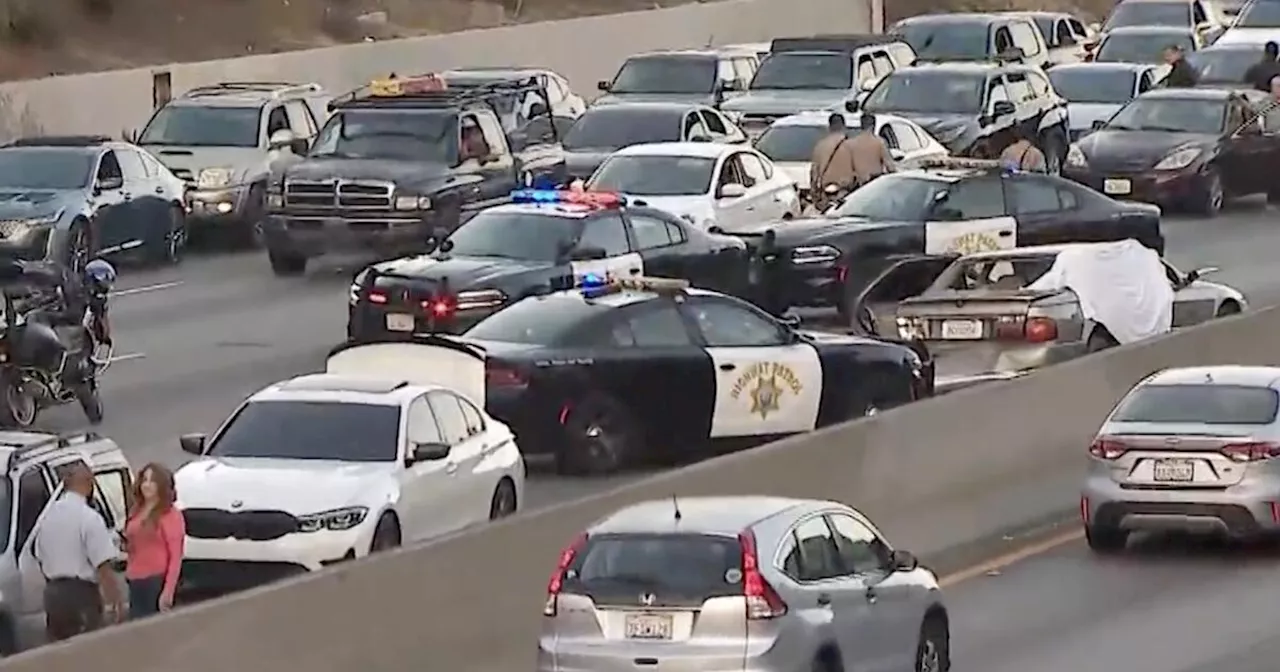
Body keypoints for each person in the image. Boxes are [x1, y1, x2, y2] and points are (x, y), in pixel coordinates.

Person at [32, 462, 125, 641]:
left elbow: (39, 555)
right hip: (81, 593)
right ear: (89, 484)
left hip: (53, 594)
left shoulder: (47, 517)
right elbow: (103, 565)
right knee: (88, 647)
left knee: (59, 651)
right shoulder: (89, 518)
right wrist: (116, 601)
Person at [123, 463, 185, 618]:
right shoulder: (136, 511)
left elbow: (176, 556)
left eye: (152, 481)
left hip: (155, 581)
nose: (147, 485)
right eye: (144, 480)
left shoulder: (170, 515)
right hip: (135, 581)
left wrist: (168, 591)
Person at [809, 113, 859, 200]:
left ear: (829, 127)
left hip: (825, 192)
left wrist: (814, 190)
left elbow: (814, 171)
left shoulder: (820, 146)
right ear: (844, 126)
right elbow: (859, 171)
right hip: (845, 192)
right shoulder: (851, 145)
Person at [847, 111, 896, 185]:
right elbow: (890, 166)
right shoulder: (879, 142)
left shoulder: (851, 144)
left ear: (861, 125)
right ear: (873, 125)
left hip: (857, 185)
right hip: (874, 183)